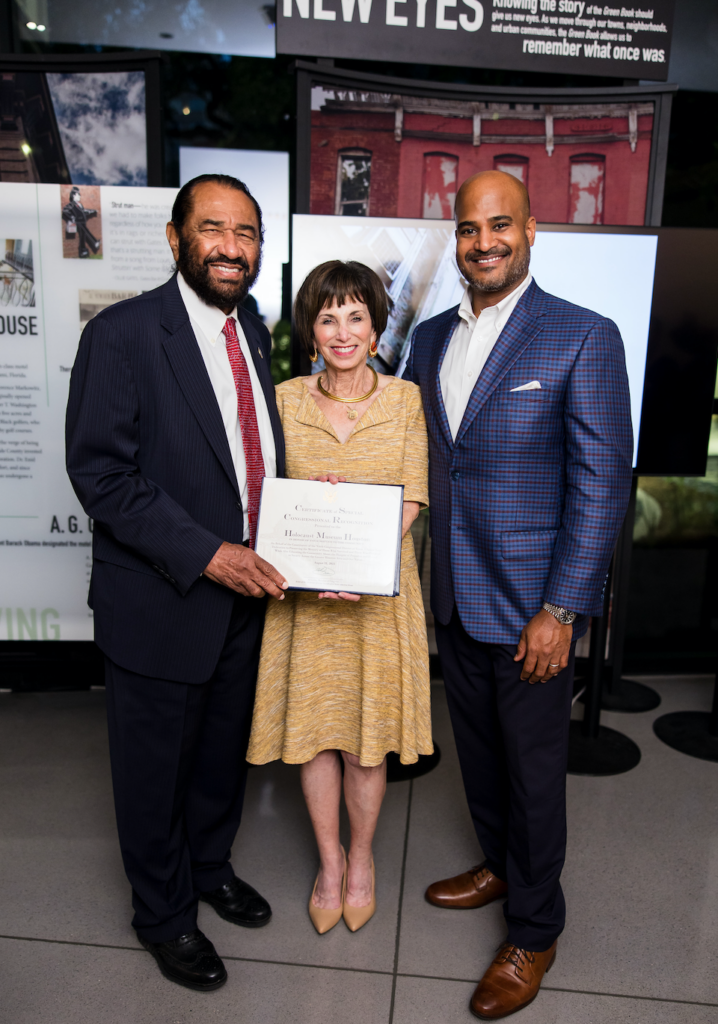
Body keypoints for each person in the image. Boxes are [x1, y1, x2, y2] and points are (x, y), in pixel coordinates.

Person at [403, 170, 633, 1020]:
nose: (484, 242)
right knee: (481, 756)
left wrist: (562, 610)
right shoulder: (430, 338)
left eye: (500, 225)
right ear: (456, 239)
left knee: (535, 778)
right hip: (455, 597)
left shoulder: (583, 335)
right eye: (469, 229)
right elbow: (421, 456)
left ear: (532, 230)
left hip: (534, 610)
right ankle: (500, 866)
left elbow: (601, 485)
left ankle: (535, 930)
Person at [65, 174, 289, 992]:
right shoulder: (123, 334)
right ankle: (162, 916)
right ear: (175, 238)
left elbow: (246, 455)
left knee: (221, 755)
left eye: (247, 233)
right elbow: (102, 475)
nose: (232, 247)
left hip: (244, 597)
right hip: (163, 597)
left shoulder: (252, 330)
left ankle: (209, 868)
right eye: (213, 229)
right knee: (155, 770)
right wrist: (208, 554)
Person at [247, 260, 432, 934]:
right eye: (328, 318)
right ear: (311, 331)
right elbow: (263, 497)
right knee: (316, 738)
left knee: (364, 746)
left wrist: (355, 558)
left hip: (375, 603)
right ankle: (329, 863)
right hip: (306, 604)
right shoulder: (282, 401)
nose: (343, 331)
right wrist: (311, 534)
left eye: (356, 316)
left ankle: (361, 860)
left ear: (377, 329)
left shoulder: (406, 400)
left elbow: (413, 497)